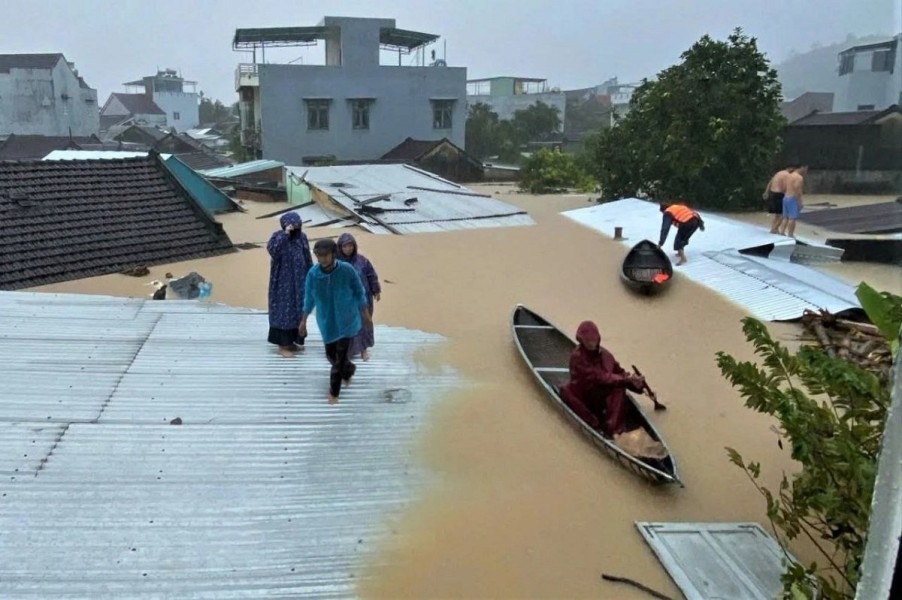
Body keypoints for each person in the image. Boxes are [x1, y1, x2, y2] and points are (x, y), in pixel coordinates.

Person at [299, 238, 372, 404]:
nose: (322, 259)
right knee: (331, 355)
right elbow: (308, 298)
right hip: (327, 321)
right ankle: (349, 369)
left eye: (325, 255)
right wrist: (303, 321)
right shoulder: (313, 274)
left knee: (339, 357)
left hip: (347, 318)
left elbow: (359, 290)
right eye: (318, 256)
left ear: (333, 254)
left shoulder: (347, 270)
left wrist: (365, 313)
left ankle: (334, 392)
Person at [560, 321, 646, 436]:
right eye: (588, 341)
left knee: (619, 388)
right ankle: (596, 425)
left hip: (601, 398)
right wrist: (627, 380)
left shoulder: (606, 356)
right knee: (566, 390)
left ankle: (613, 428)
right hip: (584, 397)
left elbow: (620, 373)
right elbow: (600, 377)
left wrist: (637, 384)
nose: (591, 344)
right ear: (581, 340)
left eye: (594, 340)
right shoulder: (578, 358)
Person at [266, 212, 313, 358]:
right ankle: (282, 345)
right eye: (293, 227)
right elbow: (273, 251)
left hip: (299, 281)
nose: (295, 230)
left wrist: (312, 275)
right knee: (283, 312)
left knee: (298, 310)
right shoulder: (277, 237)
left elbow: (307, 257)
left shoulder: (302, 238)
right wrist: (285, 234)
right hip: (282, 283)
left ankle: (292, 342)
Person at [337, 233, 382, 361]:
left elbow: (371, 275)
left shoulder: (362, 261)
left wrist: (376, 290)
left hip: (363, 298)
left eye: (350, 245)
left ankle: (363, 350)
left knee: (363, 323)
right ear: (340, 247)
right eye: (345, 246)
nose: (348, 248)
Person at [657, 201, 705, 265]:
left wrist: (660, 243)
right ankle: (680, 253)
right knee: (683, 238)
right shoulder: (677, 206)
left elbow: (665, 229)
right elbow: (693, 212)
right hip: (696, 221)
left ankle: (683, 258)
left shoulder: (667, 212)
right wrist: (701, 224)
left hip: (687, 223)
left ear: (663, 210)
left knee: (678, 240)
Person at [763, 166, 795, 233]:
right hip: (779, 194)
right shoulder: (788, 175)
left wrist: (766, 192)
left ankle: (774, 228)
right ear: (791, 169)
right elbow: (785, 186)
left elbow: (770, 182)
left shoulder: (778, 173)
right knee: (783, 215)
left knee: (776, 214)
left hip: (772, 193)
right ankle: (774, 228)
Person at [780, 165, 807, 238]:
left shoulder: (788, 176)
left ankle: (782, 232)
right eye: (806, 168)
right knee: (792, 218)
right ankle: (790, 234)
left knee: (785, 217)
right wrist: (800, 202)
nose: (806, 171)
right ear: (802, 167)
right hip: (792, 198)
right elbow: (797, 190)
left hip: (785, 197)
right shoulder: (799, 178)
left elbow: (784, 187)